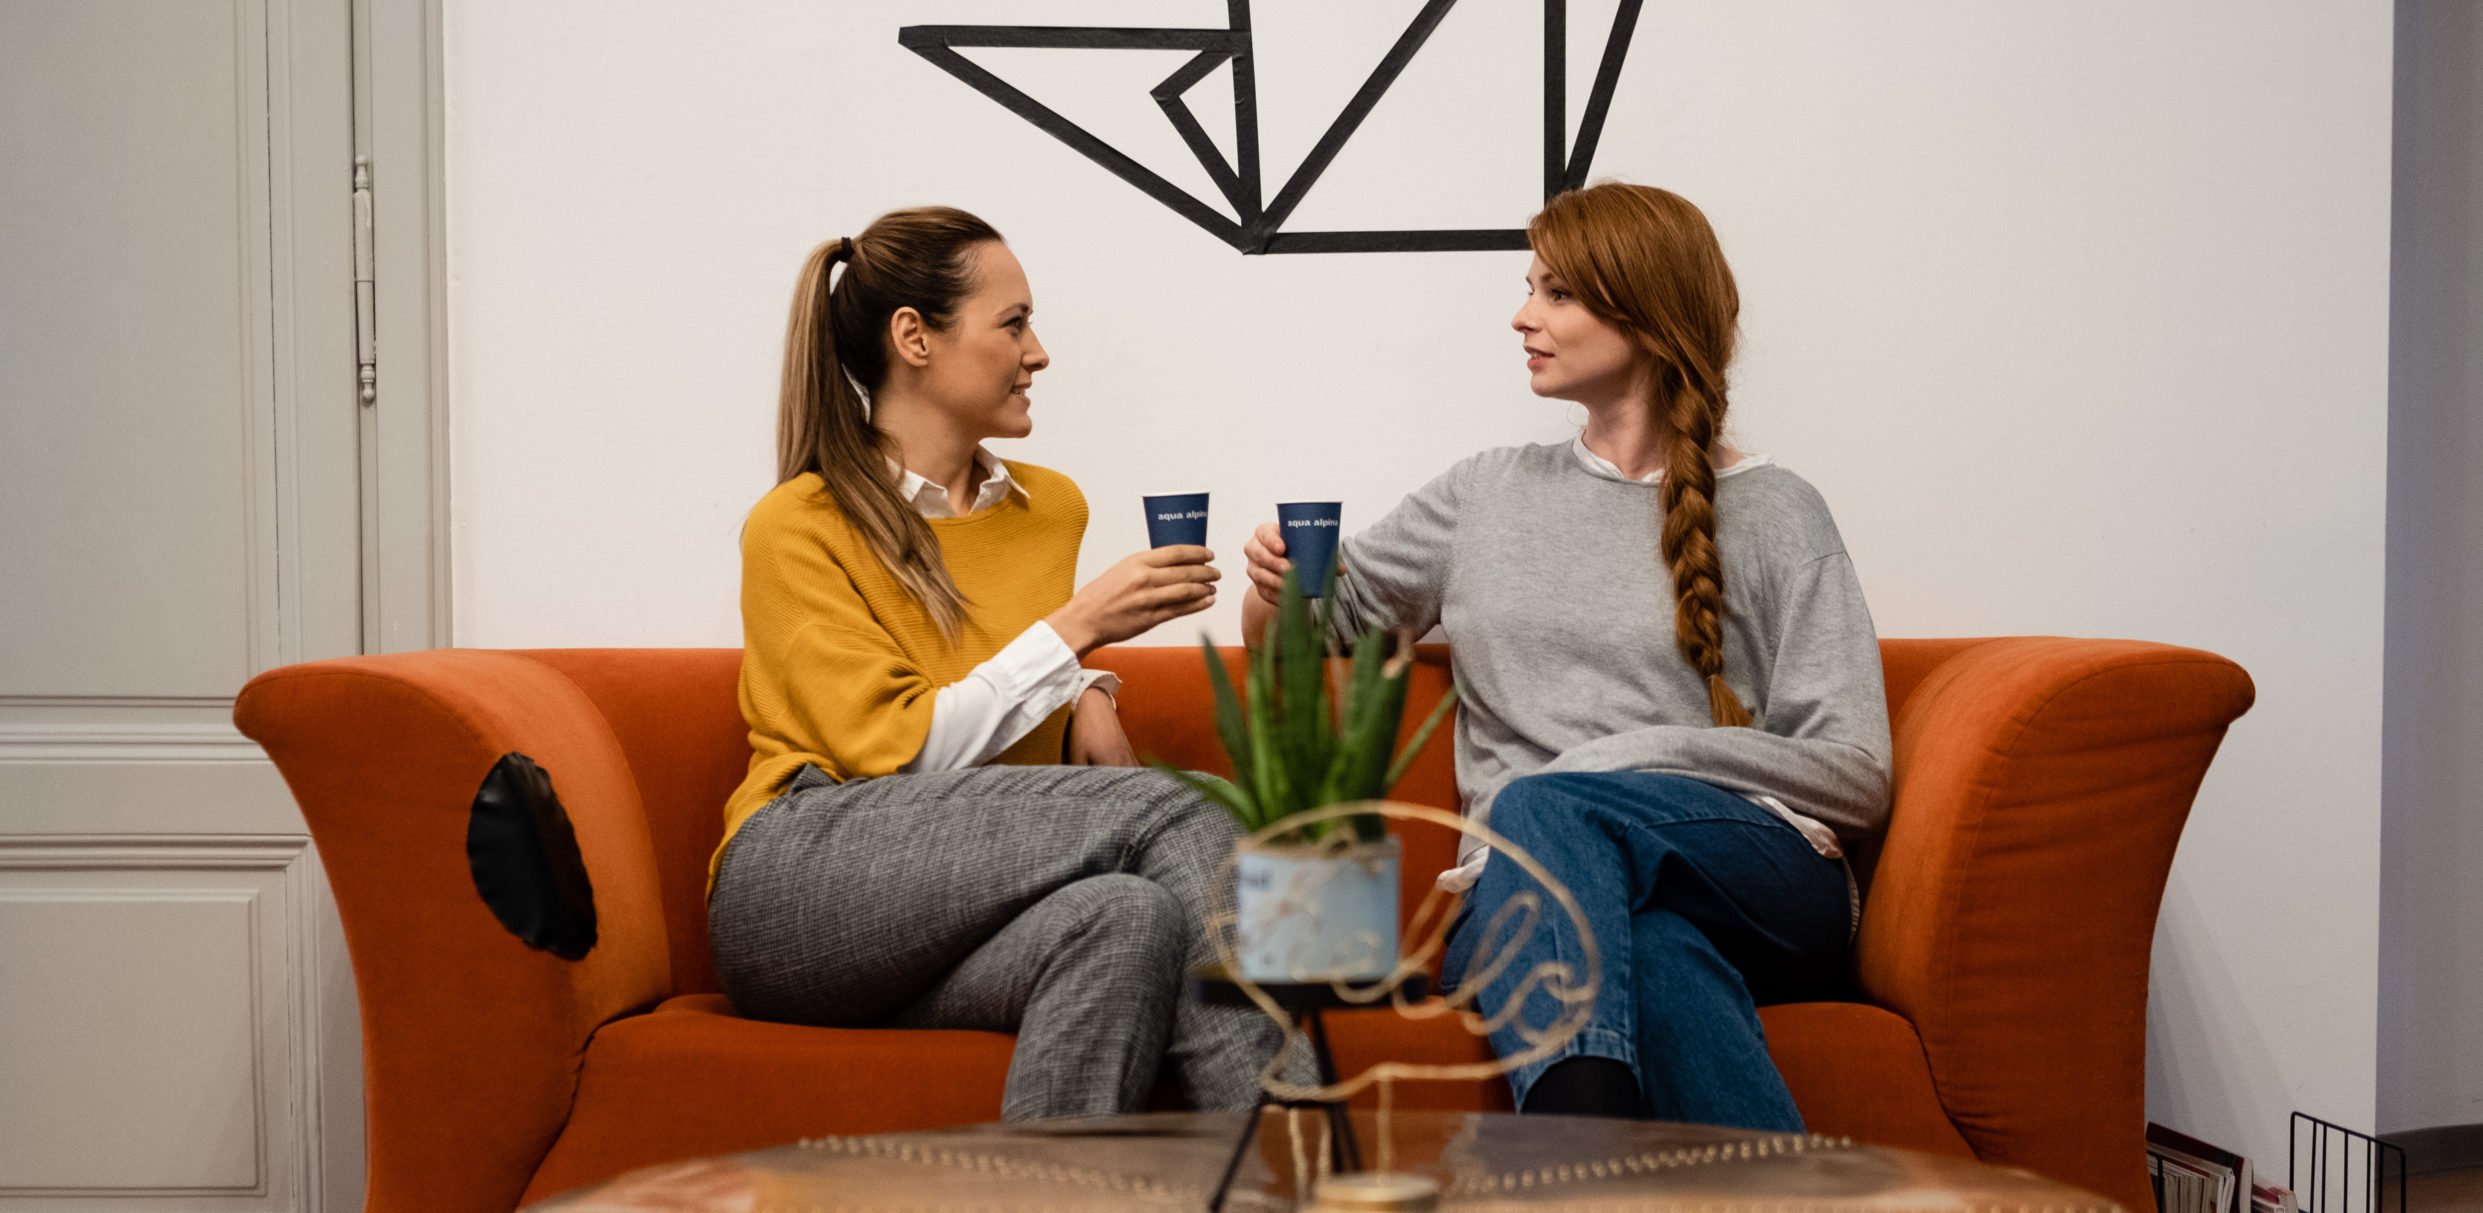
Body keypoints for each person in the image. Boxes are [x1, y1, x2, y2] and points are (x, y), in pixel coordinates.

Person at [1239, 182, 1892, 1129]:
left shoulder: (1780, 511)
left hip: (1755, 876)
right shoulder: (1485, 494)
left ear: (1644, 313)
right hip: (1521, 897)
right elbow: (1308, 642)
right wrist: (1273, 591)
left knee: (1550, 800)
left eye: (1556, 294)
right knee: (1655, 952)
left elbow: (1857, 772)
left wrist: (1611, 765)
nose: (1522, 316)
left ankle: (1566, 1175)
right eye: (1528, 288)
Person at [711, 206, 1296, 1120]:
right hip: (802, 879)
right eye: (1013, 323)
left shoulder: (1048, 508)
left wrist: (1087, 686)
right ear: (915, 338)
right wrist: (1079, 634)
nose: (1040, 352)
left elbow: (980, 672)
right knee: (1186, 806)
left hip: (950, 917)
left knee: (1129, 921)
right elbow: (897, 755)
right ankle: (1295, 1171)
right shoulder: (799, 523)